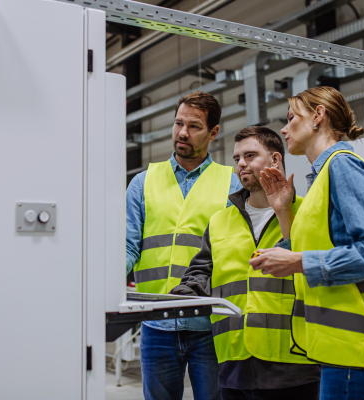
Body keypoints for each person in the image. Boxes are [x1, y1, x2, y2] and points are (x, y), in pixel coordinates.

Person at [250, 86, 364, 400]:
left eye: (292, 117)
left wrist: (298, 262)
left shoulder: (342, 166)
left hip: (359, 351)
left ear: (318, 116)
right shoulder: (321, 178)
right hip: (341, 350)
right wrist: (283, 209)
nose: (284, 128)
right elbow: (312, 249)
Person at [171, 127, 321, 400]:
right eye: (237, 157)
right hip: (233, 360)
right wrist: (184, 293)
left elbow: (316, 267)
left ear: (275, 160)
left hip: (295, 360)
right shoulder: (219, 220)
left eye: (250, 155)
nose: (241, 164)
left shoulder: (305, 212)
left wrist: (284, 212)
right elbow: (202, 271)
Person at [125, 91, 242, 400]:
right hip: (156, 322)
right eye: (178, 123)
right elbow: (127, 247)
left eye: (194, 126)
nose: (182, 133)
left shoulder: (232, 184)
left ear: (213, 132)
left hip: (210, 323)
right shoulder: (143, 182)